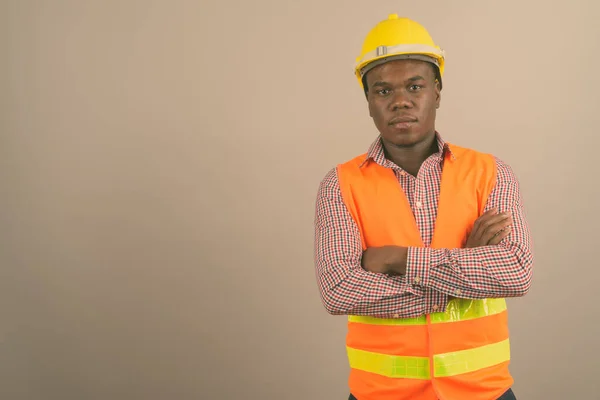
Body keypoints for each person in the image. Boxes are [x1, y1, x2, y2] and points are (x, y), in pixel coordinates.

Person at [313, 14, 534, 400]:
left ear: (437, 92)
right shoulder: (340, 184)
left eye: (414, 86)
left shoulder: (490, 172)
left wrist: (396, 259)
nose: (400, 100)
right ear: (368, 102)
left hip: (483, 392)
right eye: (382, 91)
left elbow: (515, 271)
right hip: (380, 394)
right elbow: (339, 288)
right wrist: (462, 273)